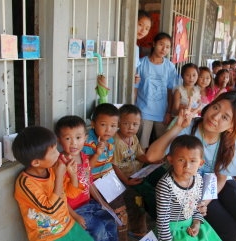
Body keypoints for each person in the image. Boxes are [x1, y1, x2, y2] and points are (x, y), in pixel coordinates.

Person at [146, 91, 236, 241]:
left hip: (218, 184)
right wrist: (178, 127)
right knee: (230, 231)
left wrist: (205, 201)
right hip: (189, 186)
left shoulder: (230, 142)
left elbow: (221, 177)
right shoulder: (188, 125)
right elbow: (151, 156)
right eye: (216, 108)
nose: (215, 117)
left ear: (231, 127)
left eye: (225, 117)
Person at [13, 126, 94, 241]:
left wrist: (72, 175)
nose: (58, 154)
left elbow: (72, 194)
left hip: (68, 225)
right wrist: (60, 176)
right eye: (53, 152)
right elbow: (51, 209)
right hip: (49, 236)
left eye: (56, 149)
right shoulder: (26, 184)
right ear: (36, 162)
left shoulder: (51, 169)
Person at [55, 115, 118, 241]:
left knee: (110, 220)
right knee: (98, 229)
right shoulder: (61, 164)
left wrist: (102, 203)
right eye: (68, 138)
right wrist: (74, 216)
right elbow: (59, 196)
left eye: (78, 138)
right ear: (58, 140)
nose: (74, 143)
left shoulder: (83, 157)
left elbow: (88, 181)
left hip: (89, 204)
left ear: (85, 138)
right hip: (74, 209)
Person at [113, 104, 166, 238]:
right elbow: (114, 166)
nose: (131, 127)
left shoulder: (133, 137)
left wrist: (152, 161)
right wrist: (126, 181)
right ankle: (161, 219)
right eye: (126, 123)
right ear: (119, 122)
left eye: (135, 124)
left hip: (139, 170)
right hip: (127, 177)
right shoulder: (115, 141)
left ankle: (170, 207)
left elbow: (139, 155)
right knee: (147, 191)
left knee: (163, 174)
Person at [156, 135, 221, 241]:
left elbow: (195, 207)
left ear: (201, 163)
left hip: (191, 226)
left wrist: (196, 223)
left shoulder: (198, 179)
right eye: (181, 160)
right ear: (171, 160)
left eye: (193, 161)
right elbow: (163, 221)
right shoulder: (166, 185)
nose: (187, 166)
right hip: (173, 232)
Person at [82, 103, 128, 241]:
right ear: (93, 123)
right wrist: (97, 153)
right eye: (103, 125)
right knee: (113, 213)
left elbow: (109, 162)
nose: (108, 129)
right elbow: (86, 170)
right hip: (97, 183)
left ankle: (122, 237)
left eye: (113, 126)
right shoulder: (88, 142)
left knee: (120, 211)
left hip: (110, 180)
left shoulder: (111, 140)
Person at [135, 32, 178, 150]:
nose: (164, 49)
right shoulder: (141, 63)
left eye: (168, 47)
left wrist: (169, 112)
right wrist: (134, 109)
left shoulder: (170, 67)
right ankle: (141, 168)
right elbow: (135, 87)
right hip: (143, 111)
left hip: (162, 113)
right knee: (141, 147)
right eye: (161, 44)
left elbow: (171, 91)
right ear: (154, 44)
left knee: (163, 146)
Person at [134, 10, 152, 84]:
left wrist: (135, 77)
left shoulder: (136, 48)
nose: (143, 30)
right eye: (140, 25)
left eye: (147, 28)